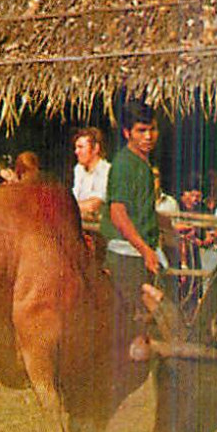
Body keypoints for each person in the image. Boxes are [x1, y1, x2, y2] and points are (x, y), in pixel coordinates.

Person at [99, 100, 172, 359]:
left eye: (151, 129)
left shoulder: (142, 165)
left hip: (141, 252)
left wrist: (166, 224)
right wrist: (145, 251)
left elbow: (139, 211)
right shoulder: (124, 165)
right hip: (127, 256)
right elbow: (118, 214)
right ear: (127, 133)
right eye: (141, 130)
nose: (148, 136)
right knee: (135, 324)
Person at [71, 127, 111, 221]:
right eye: (76, 147)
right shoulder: (79, 169)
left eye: (81, 147)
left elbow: (94, 205)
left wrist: (66, 207)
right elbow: (74, 198)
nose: (76, 152)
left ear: (95, 149)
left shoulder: (106, 170)